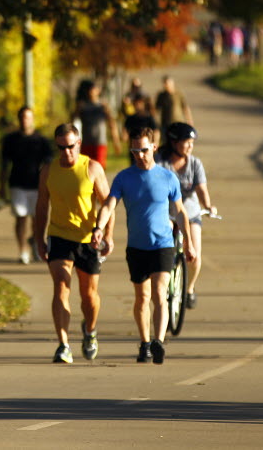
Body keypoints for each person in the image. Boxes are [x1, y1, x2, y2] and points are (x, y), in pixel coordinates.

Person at [95, 127, 196, 365]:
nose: (139, 155)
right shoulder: (124, 177)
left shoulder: (167, 177)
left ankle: (158, 341)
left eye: (143, 150)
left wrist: (189, 242)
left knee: (160, 293)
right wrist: (99, 227)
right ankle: (144, 343)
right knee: (142, 297)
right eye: (134, 150)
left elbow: (180, 212)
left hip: (163, 243)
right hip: (136, 246)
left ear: (153, 147)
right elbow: (109, 205)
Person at [33, 123, 114, 363]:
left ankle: (90, 331)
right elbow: (40, 207)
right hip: (58, 236)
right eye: (61, 147)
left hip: (88, 239)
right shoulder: (48, 170)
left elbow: (108, 204)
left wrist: (107, 234)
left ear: (78, 143)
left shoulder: (92, 168)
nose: (66, 152)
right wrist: (39, 240)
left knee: (89, 296)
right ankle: (63, 344)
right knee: (61, 285)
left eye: (70, 146)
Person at [155, 122, 217, 309]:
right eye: (186, 142)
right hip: (167, 213)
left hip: (190, 213)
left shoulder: (195, 164)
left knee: (195, 255)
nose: (190, 146)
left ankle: (189, 288)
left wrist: (208, 206)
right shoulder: (160, 163)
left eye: (192, 142)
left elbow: (201, 189)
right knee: (163, 250)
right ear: (174, 143)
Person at [0, 106, 55, 264]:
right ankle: (23, 250)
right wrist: (1, 186)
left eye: (28, 117)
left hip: (37, 185)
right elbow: (4, 164)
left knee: (37, 219)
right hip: (17, 184)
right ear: (19, 119)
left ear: (32, 119)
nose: (25, 120)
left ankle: (37, 247)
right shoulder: (11, 140)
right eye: (23, 117)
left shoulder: (42, 141)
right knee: (21, 218)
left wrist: (49, 185)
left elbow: (49, 165)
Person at [72, 79, 123, 169]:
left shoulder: (102, 106)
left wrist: (116, 141)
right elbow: (72, 122)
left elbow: (112, 124)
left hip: (100, 143)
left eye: (94, 89)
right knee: (86, 169)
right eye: (90, 89)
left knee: (99, 168)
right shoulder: (82, 106)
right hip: (86, 142)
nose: (92, 92)